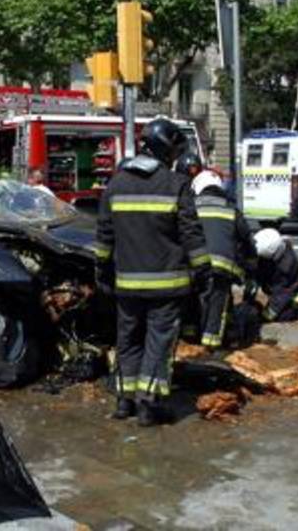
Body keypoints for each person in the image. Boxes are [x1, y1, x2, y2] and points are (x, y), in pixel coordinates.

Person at [94, 119, 210, 427]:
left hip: (126, 286)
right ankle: (148, 405)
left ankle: (124, 400)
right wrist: (204, 272)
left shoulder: (115, 185)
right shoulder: (175, 185)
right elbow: (192, 236)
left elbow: (104, 238)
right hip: (166, 286)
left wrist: (102, 273)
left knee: (128, 340)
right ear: (166, 150)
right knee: (158, 343)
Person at [193, 176, 255, 349]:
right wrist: (250, 265)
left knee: (194, 300)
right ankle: (212, 345)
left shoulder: (191, 206)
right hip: (223, 267)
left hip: (195, 264)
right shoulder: (231, 209)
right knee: (217, 303)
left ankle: (192, 338)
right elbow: (246, 240)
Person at [250, 227, 298, 323]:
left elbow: (281, 295)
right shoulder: (274, 247)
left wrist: (266, 316)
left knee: (283, 315)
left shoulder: (287, 267)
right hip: (285, 284)